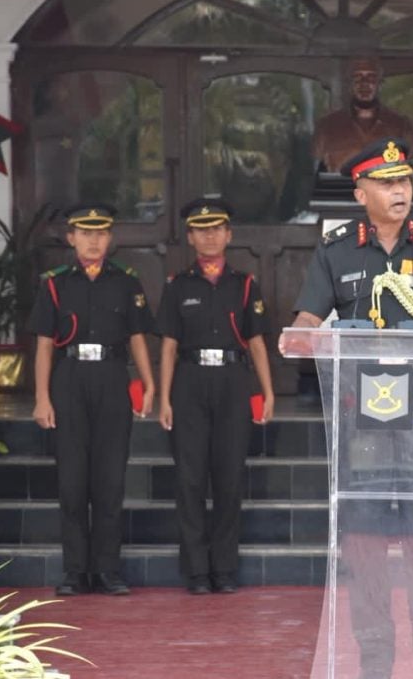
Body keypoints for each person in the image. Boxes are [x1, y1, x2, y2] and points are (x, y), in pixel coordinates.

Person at [279, 137, 413, 679]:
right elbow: (308, 317)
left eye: (405, 181)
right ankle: (374, 658)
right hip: (362, 418)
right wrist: (299, 336)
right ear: (361, 193)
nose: (401, 191)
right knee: (364, 537)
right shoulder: (337, 249)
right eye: (387, 183)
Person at [30, 203, 157, 597]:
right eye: (85, 233)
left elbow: (137, 336)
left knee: (110, 479)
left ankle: (107, 570)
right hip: (69, 380)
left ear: (110, 238)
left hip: (112, 378)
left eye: (100, 233)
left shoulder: (126, 281)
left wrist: (148, 383)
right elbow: (45, 344)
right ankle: (75, 570)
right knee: (72, 481)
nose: (93, 241)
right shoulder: (55, 284)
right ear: (71, 238)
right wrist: (41, 397)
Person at [157, 198, 276, 595]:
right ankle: (196, 571)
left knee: (229, 478)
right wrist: (164, 398)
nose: (209, 236)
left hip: (232, 381)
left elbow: (256, 342)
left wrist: (267, 391)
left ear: (228, 235)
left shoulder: (244, 285)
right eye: (201, 230)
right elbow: (169, 347)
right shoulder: (177, 286)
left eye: (216, 229)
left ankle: (224, 569)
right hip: (189, 382)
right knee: (190, 480)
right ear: (190, 237)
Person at [312, 57, 413, 174]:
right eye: (357, 77)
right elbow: (316, 165)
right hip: (340, 186)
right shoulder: (326, 126)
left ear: (380, 83)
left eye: (371, 77)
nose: (364, 83)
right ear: (349, 84)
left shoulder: (401, 125)